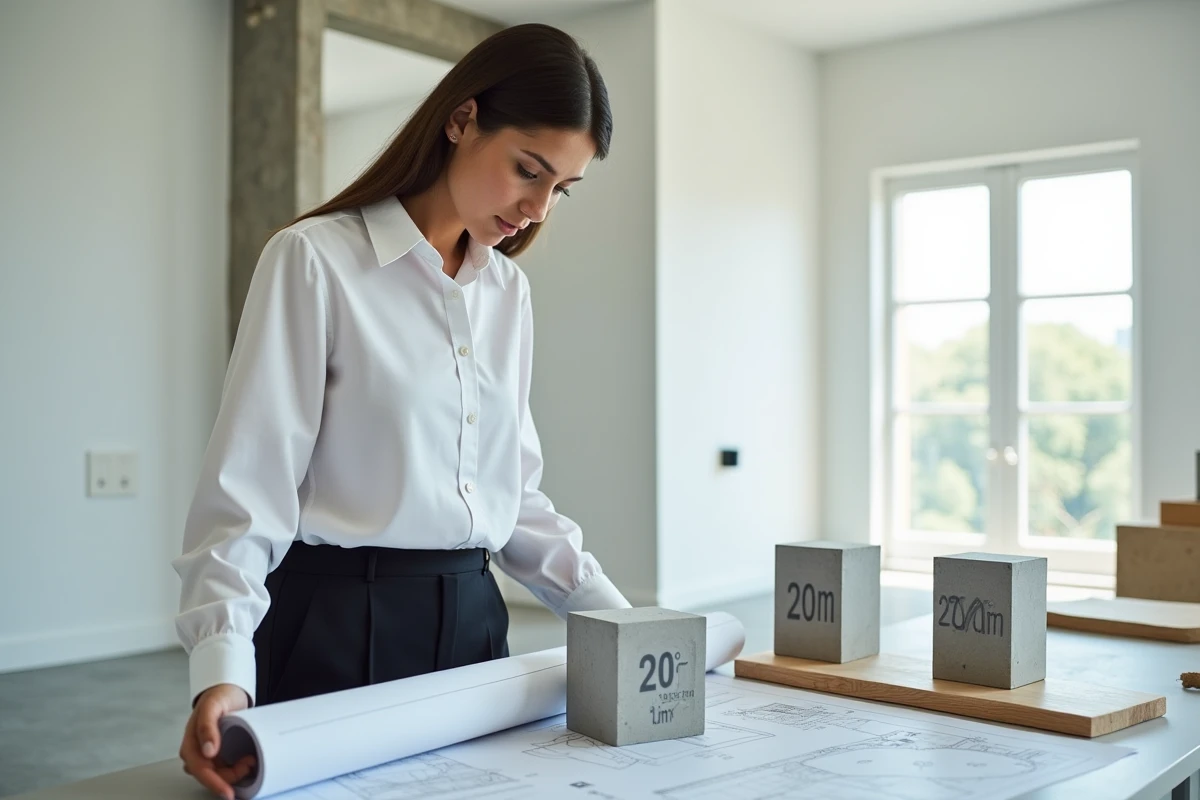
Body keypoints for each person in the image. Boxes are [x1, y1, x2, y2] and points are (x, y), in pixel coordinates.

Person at [172, 23, 631, 799]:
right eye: (529, 170)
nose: (538, 208)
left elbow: (513, 500)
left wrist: (623, 624)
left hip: (480, 625)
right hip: (337, 628)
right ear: (461, 120)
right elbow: (248, 494)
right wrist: (221, 670)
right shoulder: (314, 261)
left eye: (562, 188)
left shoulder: (506, 294)